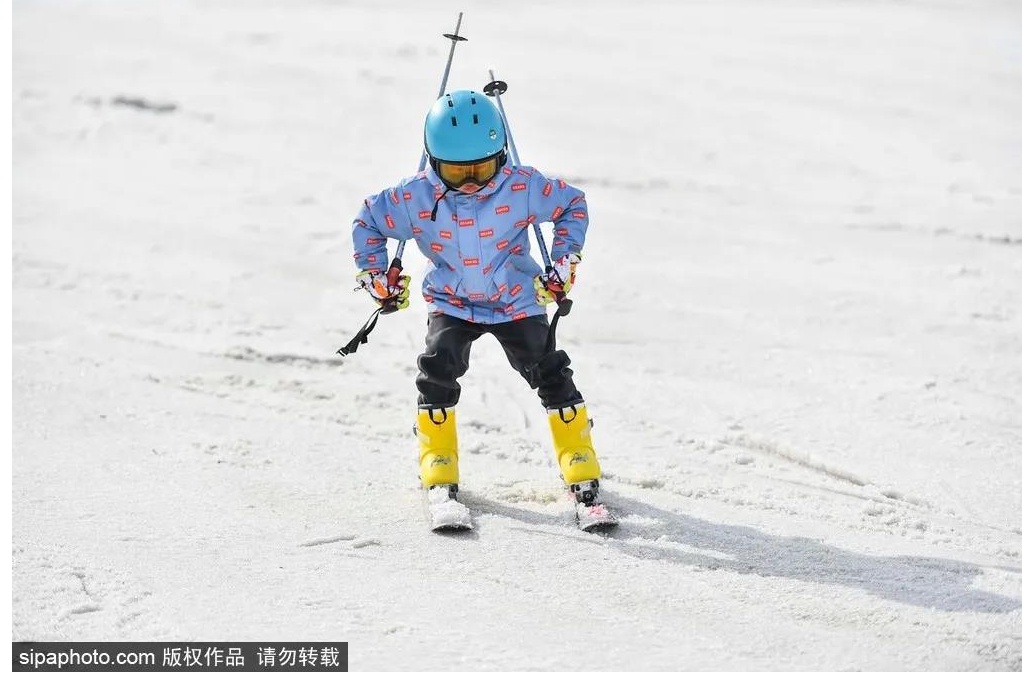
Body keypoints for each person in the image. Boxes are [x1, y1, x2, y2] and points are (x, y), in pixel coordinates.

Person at [351, 89, 607, 516]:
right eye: (457, 171)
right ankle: (438, 461)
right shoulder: (414, 197)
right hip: (452, 301)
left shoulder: (521, 187)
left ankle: (578, 458)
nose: (471, 181)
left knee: (550, 371)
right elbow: (368, 223)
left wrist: (565, 260)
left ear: (501, 153)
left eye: (482, 167)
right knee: (436, 369)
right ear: (433, 161)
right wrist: (376, 276)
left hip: (516, 301)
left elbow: (572, 205)